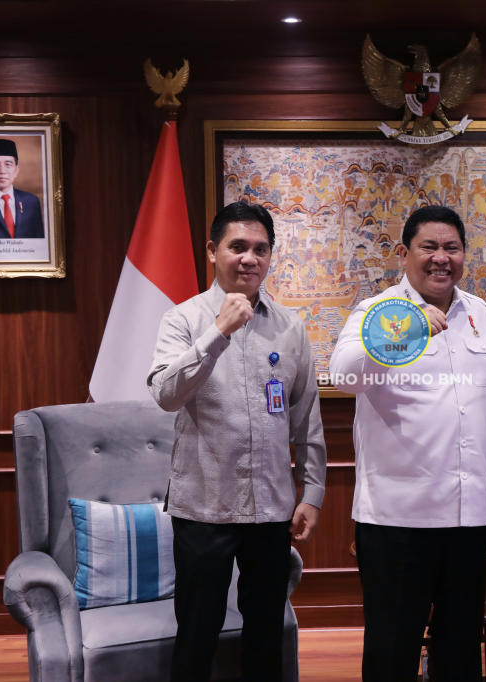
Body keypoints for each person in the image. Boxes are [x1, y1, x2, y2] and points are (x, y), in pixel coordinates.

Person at [330, 205, 486, 682]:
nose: (441, 258)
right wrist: (407, 330)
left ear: (464, 254)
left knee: (459, 650)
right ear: (404, 254)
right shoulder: (377, 311)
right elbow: (344, 376)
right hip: (398, 517)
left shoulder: (478, 314)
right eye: (429, 247)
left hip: (469, 514)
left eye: (451, 248)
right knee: (392, 650)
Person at [148, 201, 326, 682]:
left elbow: (305, 417)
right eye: (238, 247)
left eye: (260, 249)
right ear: (213, 251)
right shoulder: (183, 319)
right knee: (197, 635)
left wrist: (312, 493)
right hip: (203, 506)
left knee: (266, 636)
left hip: (271, 508)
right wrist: (218, 332)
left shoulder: (290, 326)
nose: (250, 258)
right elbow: (165, 395)